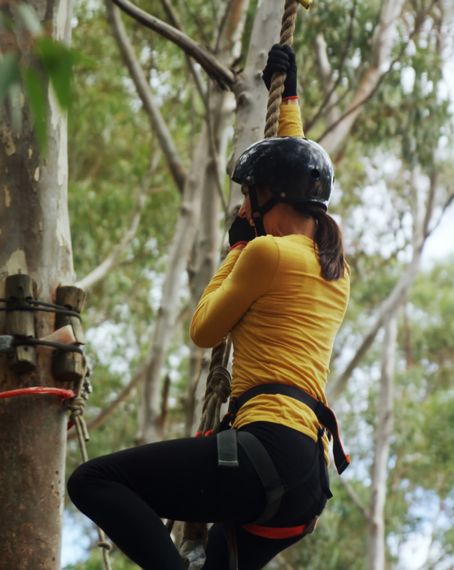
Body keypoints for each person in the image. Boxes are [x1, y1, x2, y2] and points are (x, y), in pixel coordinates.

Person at [67, 44, 351, 569]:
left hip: (265, 447)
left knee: (93, 481)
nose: (245, 207)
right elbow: (295, 162)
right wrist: (286, 96)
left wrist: (237, 245)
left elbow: (203, 329)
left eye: (250, 196)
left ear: (271, 197)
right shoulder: (334, 266)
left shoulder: (264, 252)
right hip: (306, 479)